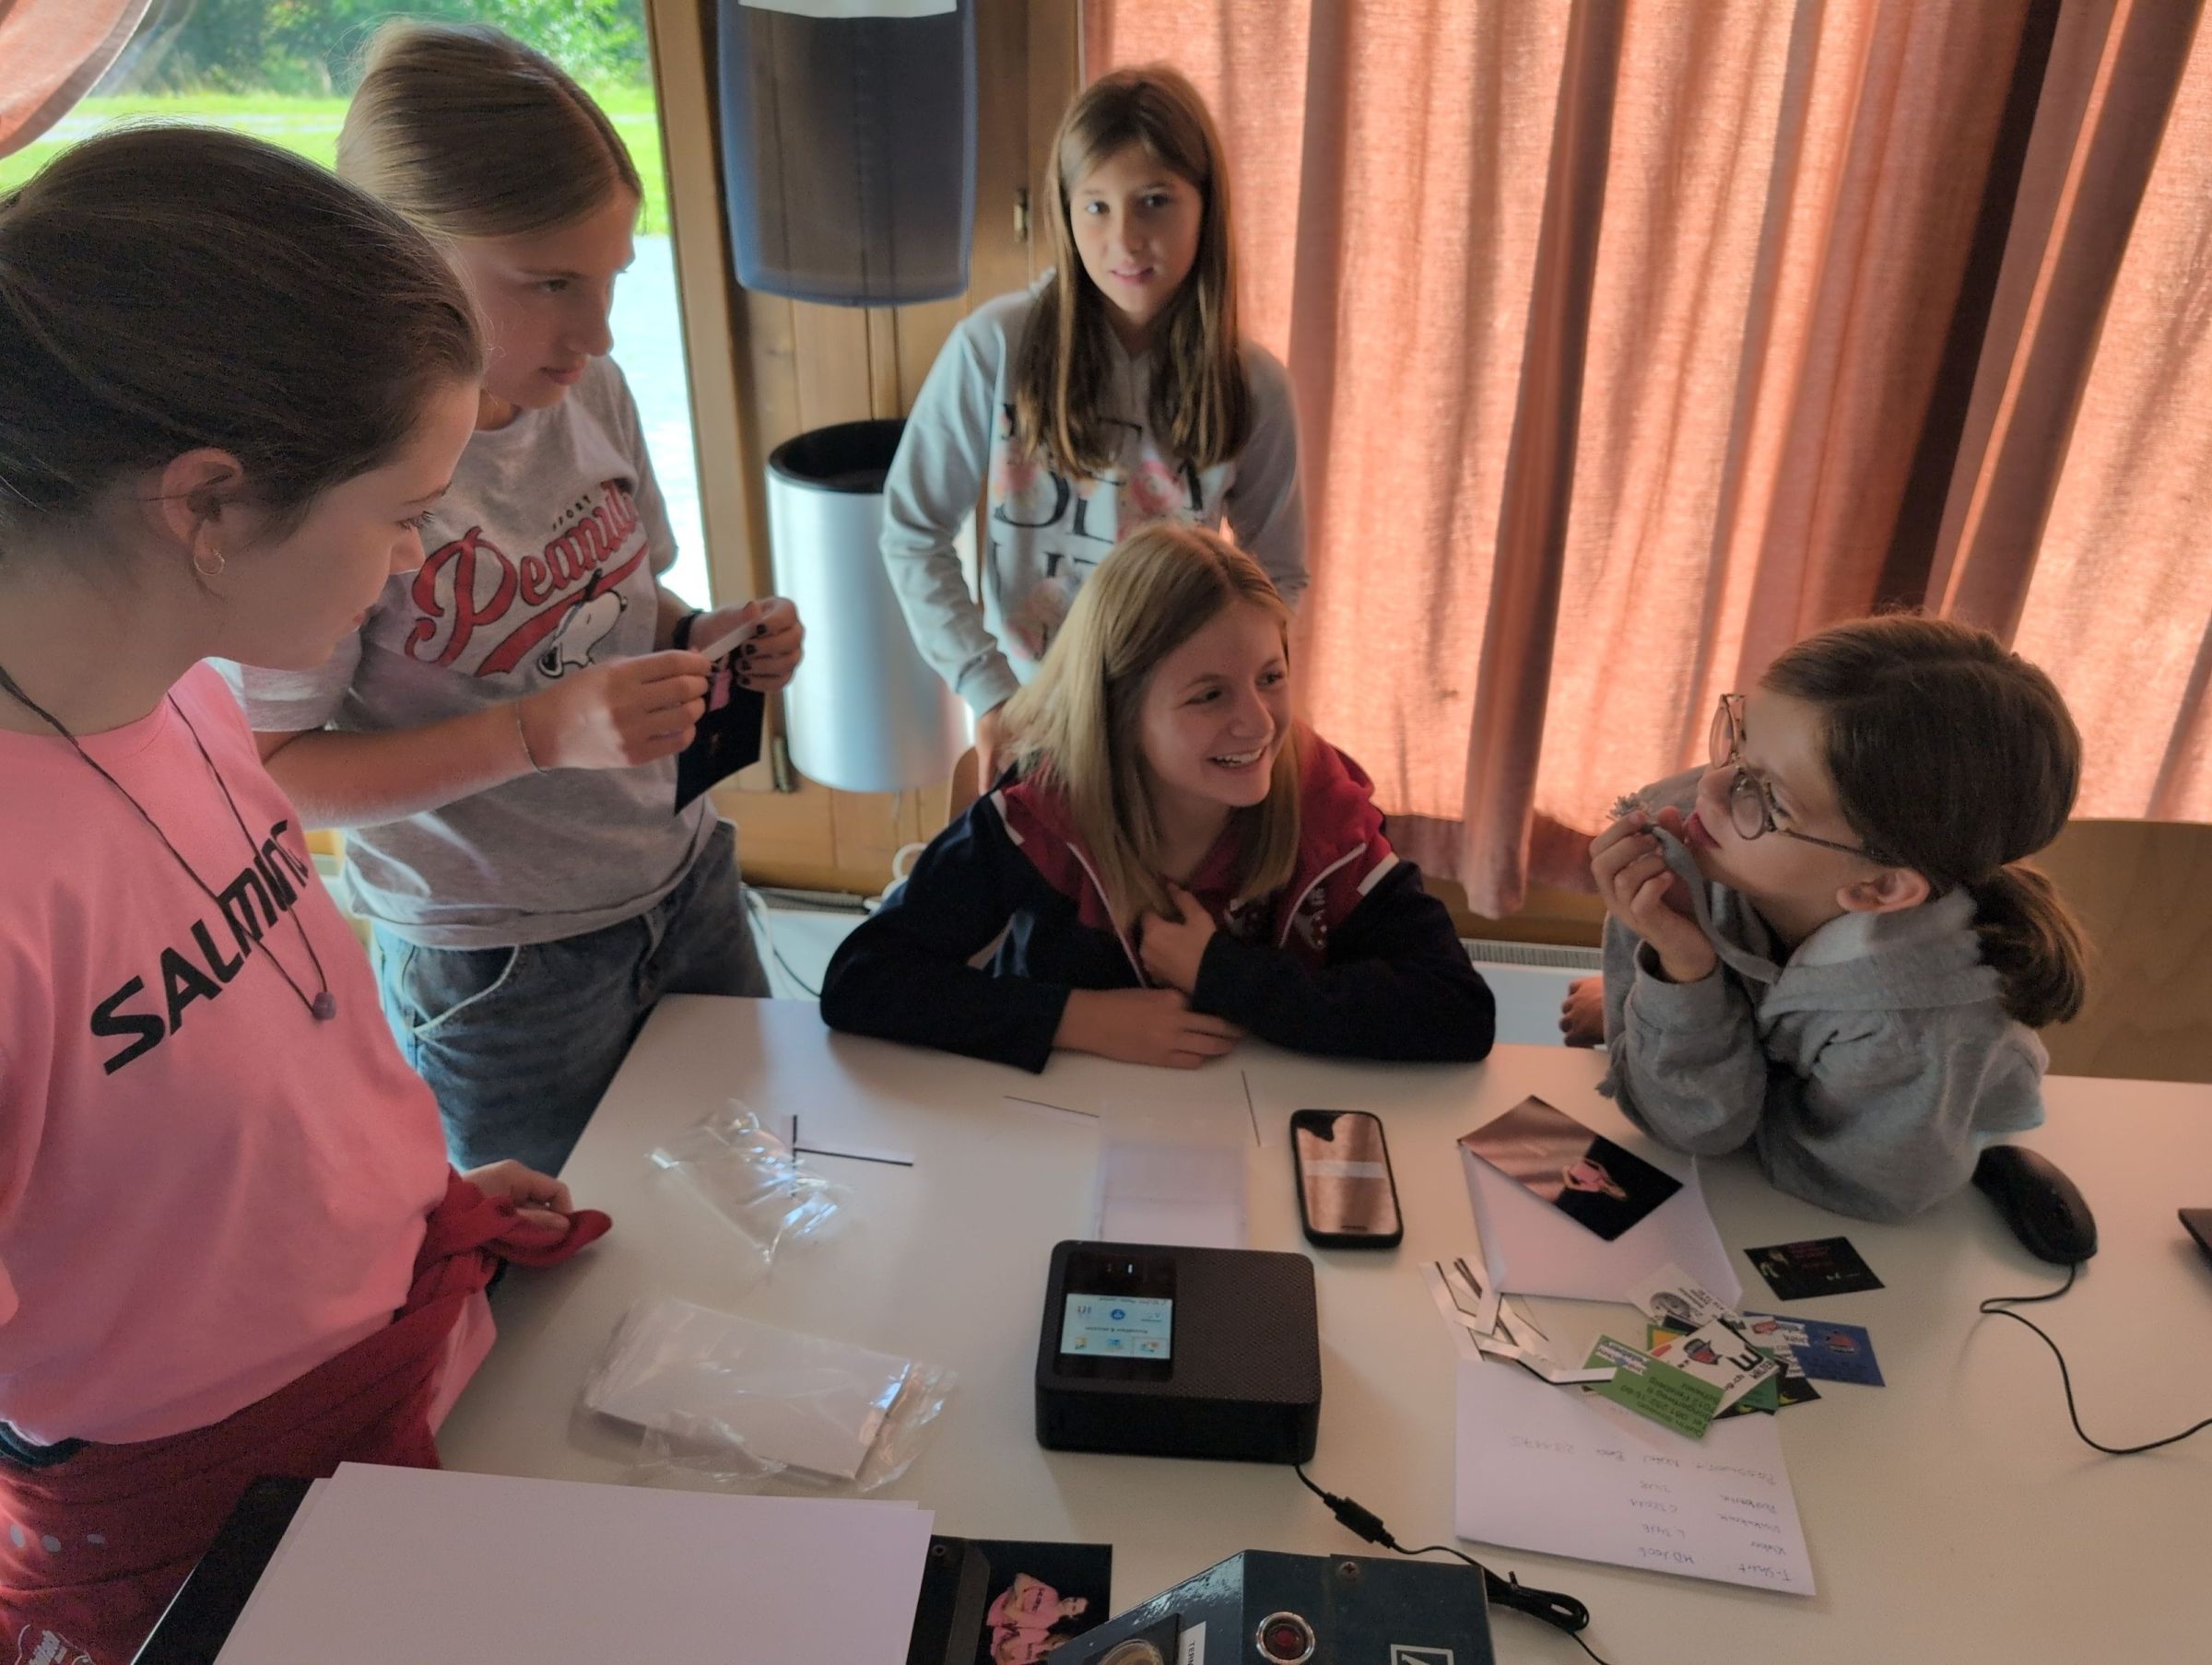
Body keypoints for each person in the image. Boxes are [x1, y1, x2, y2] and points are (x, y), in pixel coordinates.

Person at [0, 126, 605, 1663]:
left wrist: (400, 1198)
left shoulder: (183, 691)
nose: (411, 560)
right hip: (199, 1516)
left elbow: (244, 1051)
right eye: (402, 509)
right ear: (208, 503)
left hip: (393, 1342)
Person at [225, 23, 804, 1176]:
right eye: (550, 284)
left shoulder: (591, 390)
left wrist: (703, 635)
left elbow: (625, 593)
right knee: (547, 1244)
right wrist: (535, 734)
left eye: (612, 279)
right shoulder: (335, 479)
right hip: (497, 961)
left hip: (684, 874)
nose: (597, 333)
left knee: (749, 1181)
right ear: (402, 259)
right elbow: (273, 772)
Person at [822, 524, 1493, 1071]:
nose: (1258, 723)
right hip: (1059, 1131)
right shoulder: (1044, 814)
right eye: (1209, 695)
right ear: (1118, 712)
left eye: (1270, 678)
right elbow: (863, 979)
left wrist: (1220, 973)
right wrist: (1078, 1019)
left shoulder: (1320, 811)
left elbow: (1459, 1009)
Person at [882, 63, 1304, 785]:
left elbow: (1280, 573)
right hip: (1034, 715)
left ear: (1206, 207)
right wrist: (989, 690)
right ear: (1065, 210)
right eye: (1097, 206)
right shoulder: (994, 347)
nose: (1125, 240)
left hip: (1181, 725)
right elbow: (912, 530)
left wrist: (1231, 693)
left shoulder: (1254, 384)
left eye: (1155, 202)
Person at [1586, 615, 2088, 1221]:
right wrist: (1675, 977)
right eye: (1738, 741)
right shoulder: (1707, 846)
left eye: (1766, 796)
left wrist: (1689, 1010)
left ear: (1879, 886)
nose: (1707, 789)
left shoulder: (1922, 1030)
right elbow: (1682, 1123)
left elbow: (1846, 1180)